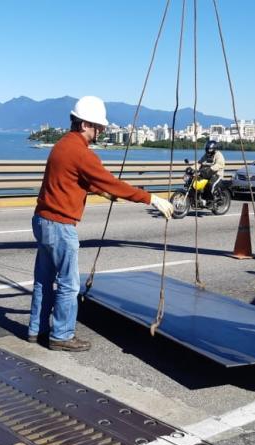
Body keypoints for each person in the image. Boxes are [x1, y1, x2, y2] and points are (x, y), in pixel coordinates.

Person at [28, 95, 174, 352]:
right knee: (68, 283)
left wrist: (102, 192)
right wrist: (151, 198)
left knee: (44, 279)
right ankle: (61, 336)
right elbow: (111, 183)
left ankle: (36, 330)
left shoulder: (62, 145)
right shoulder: (81, 152)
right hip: (61, 225)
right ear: (84, 124)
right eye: (98, 127)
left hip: (42, 219)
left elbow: (75, 181)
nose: (101, 131)